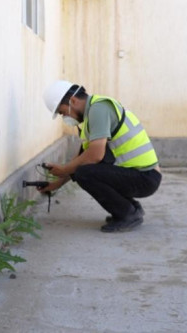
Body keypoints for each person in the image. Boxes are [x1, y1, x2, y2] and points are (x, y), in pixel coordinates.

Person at [40, 80, 163, 233]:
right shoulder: (91, 116)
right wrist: (55, 184)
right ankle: (130, 208)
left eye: (63, 112)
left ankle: (127, 214)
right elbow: (81, 158)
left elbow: (95, 156)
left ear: (72, 100)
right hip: (140, 175)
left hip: (145, 177)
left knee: (84, 174)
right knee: (83, 170)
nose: (64, 117)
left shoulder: (99, 109)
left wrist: (65, 169)